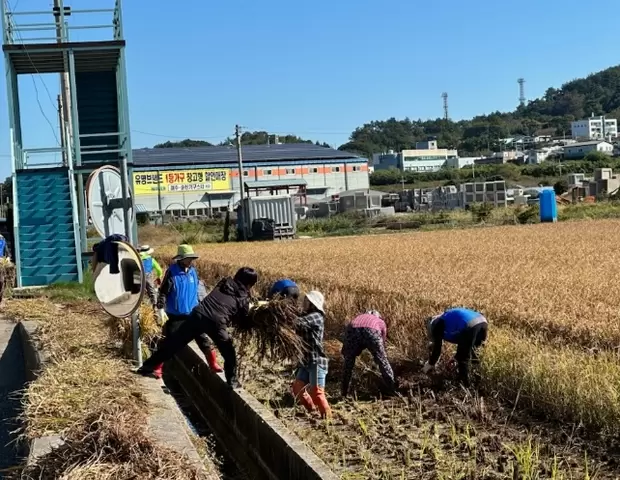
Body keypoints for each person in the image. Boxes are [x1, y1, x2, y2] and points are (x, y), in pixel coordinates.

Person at [137, 267, 258, 388]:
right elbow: (243, 322)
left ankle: (147, 366)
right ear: (249, 284)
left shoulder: (224, 282)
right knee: (229, 353)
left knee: (174, 344)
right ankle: (232, 381)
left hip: (198, 314)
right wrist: (253, 320)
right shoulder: (243, 297)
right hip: (216, 322)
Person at [150, 244, 222, 379]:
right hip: (176, 314)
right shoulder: (172, 272)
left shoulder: (193, 271)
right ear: (181, 259)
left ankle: (213, 364)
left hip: (192, 313)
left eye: (192, 258)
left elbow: (198, 290)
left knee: (203, 339)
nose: (190, 260)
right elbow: (163, 292)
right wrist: (160, 308)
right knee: (168, 342)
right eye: (188, 258)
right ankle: (157, 368)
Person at [422, 307, 488, 387]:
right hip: (482, 322)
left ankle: (464, 386)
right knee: (474, 354)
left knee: (463, 359)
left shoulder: (437, 324)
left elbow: (437, 350)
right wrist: (455, 358)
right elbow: (463, 343)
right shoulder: (446, 317)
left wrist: (430, 364)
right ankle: (478, 381)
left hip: (469, 325)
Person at [291, 291, 331, 418]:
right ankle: (312, 410)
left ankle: (328, 419)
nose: (304, 303)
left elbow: (298, 323)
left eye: (306, 301)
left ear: (313, 303)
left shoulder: (316, 316)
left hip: (316, 360)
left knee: (317, 393)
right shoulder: (307, 315)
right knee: (297, 388)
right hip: (305, 360)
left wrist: (284, 316)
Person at [341, 310, 395, 397]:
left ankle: (344, 392)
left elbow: (347, 333)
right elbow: (382, 341)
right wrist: (379, 354)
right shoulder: (380, 322)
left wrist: (347, 352)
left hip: (353, 330)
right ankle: (392, 389)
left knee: (348, 362)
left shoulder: (358, 317)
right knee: (383, 361)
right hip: (372, 331)